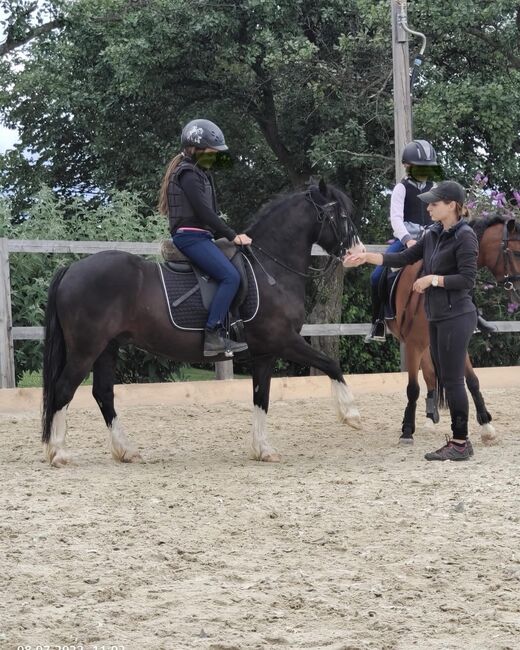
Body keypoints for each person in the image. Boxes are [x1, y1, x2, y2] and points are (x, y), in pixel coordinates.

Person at [345, 180, 478, 461]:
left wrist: (433, 279)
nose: (427, 207)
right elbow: (403, 257)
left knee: (453, 381)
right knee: (447, 378)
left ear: (452, 206)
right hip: (437, 315)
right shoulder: (432, 235)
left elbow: (467, 279)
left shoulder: (465, 236)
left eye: (434, 203)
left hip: (457, 315)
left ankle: (460, 442)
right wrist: (366, 256)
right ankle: (458, 440)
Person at [158, 118, 252, 357]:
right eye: (211, 152)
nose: (215, 157)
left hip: (201, 237)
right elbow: (205, 213)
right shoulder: (188, 174)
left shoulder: (199, 172)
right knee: (230, 277)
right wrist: (233, 236)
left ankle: (232, 324)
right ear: (195, 149)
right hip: (190, 238)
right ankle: (212, 334)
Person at [366, 139, 438, 342]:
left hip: (432, 238)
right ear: (408, 166)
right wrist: (408, 240)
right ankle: (378, 322)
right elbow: (396, 219)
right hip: (408, 240)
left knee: (460, 265)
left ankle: (475, 316)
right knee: (376, 276)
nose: (425, 170)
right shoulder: (401, 189)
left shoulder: (436, 187)